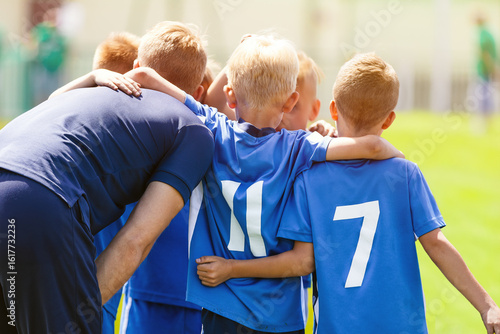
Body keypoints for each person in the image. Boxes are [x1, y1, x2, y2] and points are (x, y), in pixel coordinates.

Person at [196, 53, 500, 334]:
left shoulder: (307, 177)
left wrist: (233, 268)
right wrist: (486, 305)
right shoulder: (404, 174)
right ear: (389, 119)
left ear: (332, 109)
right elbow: (437, 244)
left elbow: (302, 262)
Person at [128, 35, 403, 334]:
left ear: (231, 96)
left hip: (222, 303)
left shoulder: (214, 130)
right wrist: (402, 162)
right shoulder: (300, 147)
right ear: (291, 101)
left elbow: (146, 76)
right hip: (280, 313)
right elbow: (373, 147)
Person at [0, 20, 213, 334]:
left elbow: (51, 103)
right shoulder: (194, 131)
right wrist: (76, 312)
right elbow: (136, 238)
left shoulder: (92, 92)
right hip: (42, 198)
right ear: (199, 92)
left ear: (136, 66)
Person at [473, 12, 497, 134]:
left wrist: (492, 70)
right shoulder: (486, 33)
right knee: (486, 97)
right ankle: (486, 123)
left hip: (484, 72)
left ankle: (484, 124)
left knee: (483, 98)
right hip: (485, 71)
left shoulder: (483, 34)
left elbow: (485, 54)